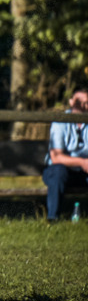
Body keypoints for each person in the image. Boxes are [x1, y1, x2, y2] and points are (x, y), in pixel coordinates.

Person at [42, 87, 88, 221]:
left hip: (84, 171)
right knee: (58, 171)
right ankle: (53, 218)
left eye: (87, 102)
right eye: (79, 102)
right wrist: (82, 162)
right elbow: (56, 157)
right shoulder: (59, 122)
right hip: (62, 170)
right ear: (71, 102)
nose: (83, 106)